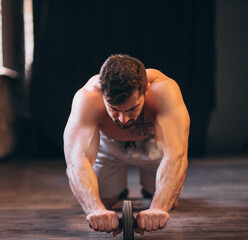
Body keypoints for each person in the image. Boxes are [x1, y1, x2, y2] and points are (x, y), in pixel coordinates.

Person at [63, 54, 190, 236]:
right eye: (114, 109)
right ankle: (118, 191)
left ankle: (149, 189)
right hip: (109, 145)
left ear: (145, 91)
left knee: (170, 202)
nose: (123, 119)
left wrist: (158, 208)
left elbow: (176, 155)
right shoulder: (88, 98)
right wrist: (95, 209)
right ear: (103, 92)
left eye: (131, 108)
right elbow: (77, 162)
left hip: (152, 144)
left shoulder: (163, 90)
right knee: (104, 202)